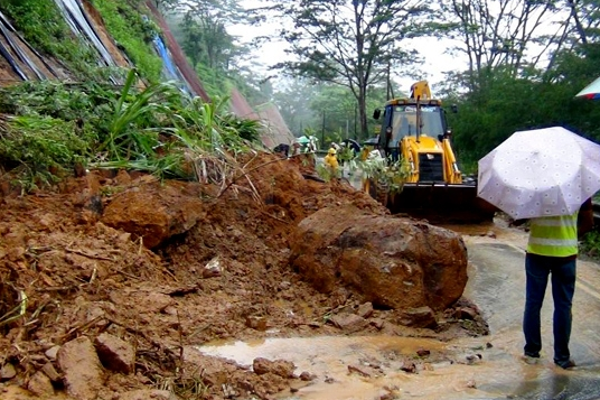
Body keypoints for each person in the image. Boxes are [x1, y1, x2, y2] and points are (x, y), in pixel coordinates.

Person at [521, 197, 594, 369]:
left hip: (537, 253)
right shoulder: (579, 187)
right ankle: (562, 358)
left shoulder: (534, 187)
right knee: (563, 306)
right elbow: (588, 223)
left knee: (533, 304)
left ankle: (531, 353)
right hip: (565, 255)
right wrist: (570, 235)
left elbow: (521, 217)